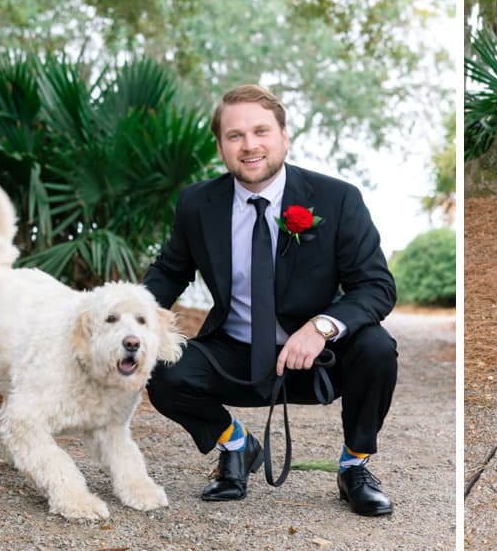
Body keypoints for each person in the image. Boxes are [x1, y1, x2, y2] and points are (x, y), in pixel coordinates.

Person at [143, 84, 398, 515]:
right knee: (159, 365)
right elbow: (169, 273)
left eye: (261, 131)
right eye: (235, 136)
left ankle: (354, 466)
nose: (249, 146)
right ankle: (236, 445)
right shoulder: (197, 204)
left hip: (316, 362)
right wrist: (124, 320)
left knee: (376, 348)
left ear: (284, 135)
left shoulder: (337, 199)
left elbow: (376, 286)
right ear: (221, 146)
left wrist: (320, 328)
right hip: (234, 355)